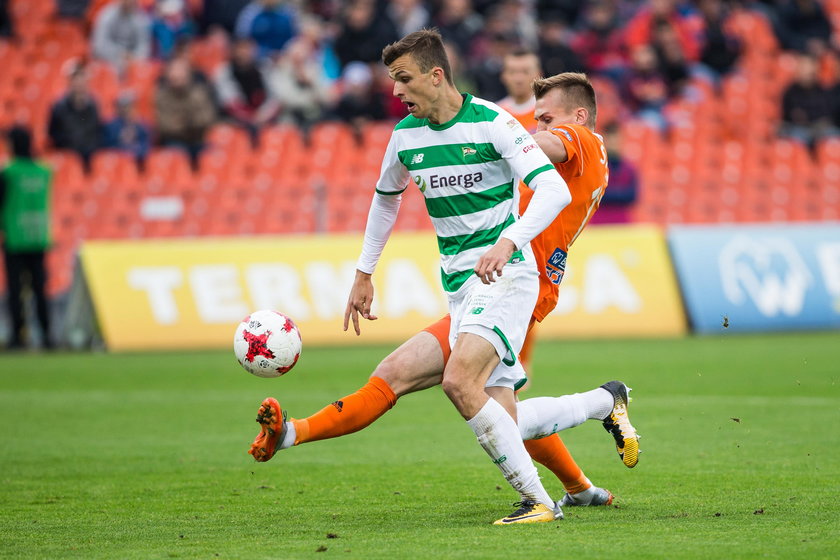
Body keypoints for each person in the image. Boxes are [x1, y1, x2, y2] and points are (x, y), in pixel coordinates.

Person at [249, 30, 639, 524]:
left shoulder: (568, 136)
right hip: (471, 284)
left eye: (404, 79)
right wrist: (364, 271)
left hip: (514, 276)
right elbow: (385, 197)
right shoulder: (409, 136)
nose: (395, 91)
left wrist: (510, 134)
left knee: (466, 387)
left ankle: (541, 502)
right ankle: (600, 419)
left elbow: (543, 156)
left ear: (436, 75)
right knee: (470, 403)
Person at [0, 127, 53, 350]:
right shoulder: (44, 172)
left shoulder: (8, 173)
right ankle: (48, 336)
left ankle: (18, 336)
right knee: (40, 289)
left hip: (15, 236)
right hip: (38, 235)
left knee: (16, 291)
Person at [154, 57, 217, 168]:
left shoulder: (199, 94)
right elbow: (165, 126)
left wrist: (183, 121)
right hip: (174, 142)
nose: (178, 76)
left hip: (198, 140)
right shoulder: (161, 96)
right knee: (175, 156)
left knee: (214, 157)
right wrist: (191, 122)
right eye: (174, 72)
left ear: (189, 74)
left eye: (181, 72)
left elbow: (208, 119)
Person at [48, 63, 104, 172]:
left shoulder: (94, 105)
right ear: (70, 82)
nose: (79, 83)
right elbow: (53, 132)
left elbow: (96, 131)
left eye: (82, 79)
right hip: (67, 154)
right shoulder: (59, 106)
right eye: (76, 79)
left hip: (89, 155)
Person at [91, 0, 151, 75]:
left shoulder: (140, 18)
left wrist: (134, 58)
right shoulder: (106, 15)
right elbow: (100, 45)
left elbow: (143, 46)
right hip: (109, 59)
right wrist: (119, 54)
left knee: (142, 71)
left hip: (131, 60)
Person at [497, 49, 541, 133]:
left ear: (538, 74)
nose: (518, 79)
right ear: (503, 76)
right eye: (512, 72)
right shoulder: (496, 113)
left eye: (525, 72)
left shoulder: (548, 111)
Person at [104, 91, 152, 167]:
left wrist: (135, 150)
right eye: (123, 106)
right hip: (117, 162)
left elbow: (146, 146)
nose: (126, 109)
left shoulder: (142, 125)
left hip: (138, 161)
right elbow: (108, 147)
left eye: (129, 106)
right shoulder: (111, 126)